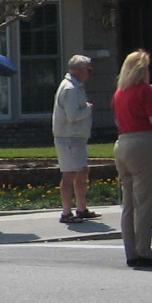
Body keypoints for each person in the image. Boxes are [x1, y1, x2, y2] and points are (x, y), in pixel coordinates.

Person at [111, 50, 152, 270]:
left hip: (123, 143)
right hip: (145, 144)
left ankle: (131, 251)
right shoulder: (147, 91)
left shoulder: (119, 93)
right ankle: (144, 251)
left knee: (129, 204)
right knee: (147, 202)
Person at [52, 55, 96, 223]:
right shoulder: (70, 89)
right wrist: (88, 109)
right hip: (68, 138)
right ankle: (66, 212)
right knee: (69, 174)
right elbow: (72, 116)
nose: (89, 73)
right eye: (87, 69)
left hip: (76, 138)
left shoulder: (76, 87)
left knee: (82, 172)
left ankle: (81, 208)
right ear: (79, 70)